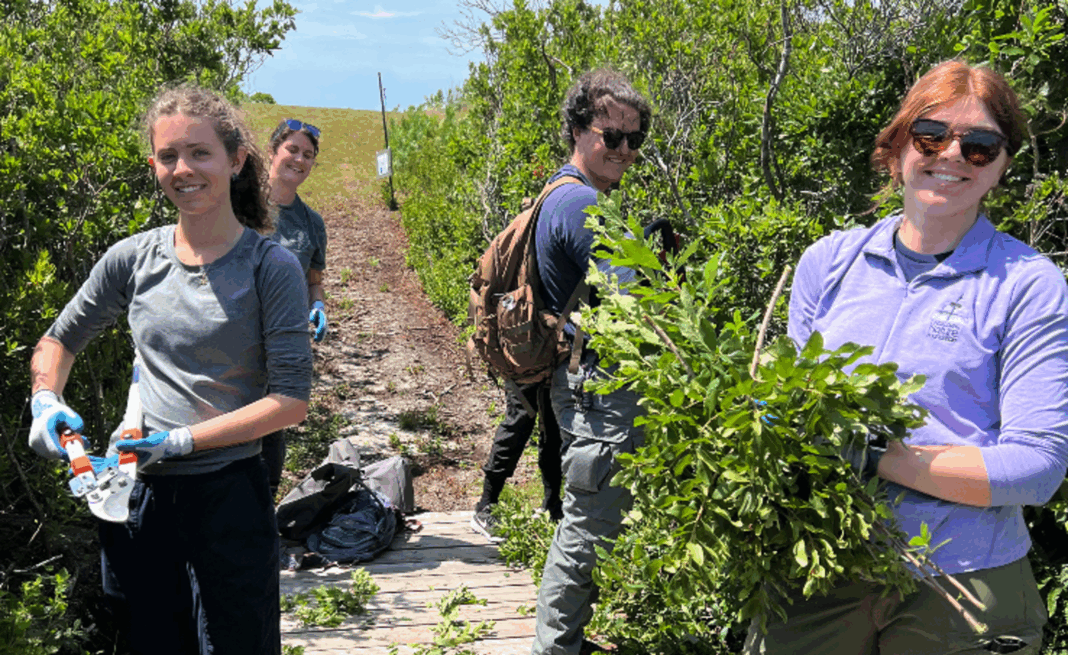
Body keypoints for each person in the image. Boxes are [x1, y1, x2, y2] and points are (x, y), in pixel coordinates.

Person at [745, 60, 1068, 654]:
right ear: (897, 148)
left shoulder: (1027, 283)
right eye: (930, 136)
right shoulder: (829, 263)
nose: (951, 155)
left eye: (979, 146)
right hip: (823, 562)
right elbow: (790, 404)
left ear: (1000, 167)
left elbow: (1038, 467)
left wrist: (881, 458)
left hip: (964, 579)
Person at [27, 84, 313, 654]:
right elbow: (58, 340)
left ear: (235, 160)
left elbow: (290, 401)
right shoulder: (133, 259)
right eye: (167, 156)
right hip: (139, 495)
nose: (183, 169)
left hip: (229, 495)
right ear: (153, 164)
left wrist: (183, 441)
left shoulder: (269, 267)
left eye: (200, 153)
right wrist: (46, 399)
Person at [531, 69, 653, 655]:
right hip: (596, 389)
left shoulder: (560, 193)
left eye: (636, 137)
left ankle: (566, 640)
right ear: (578, 131)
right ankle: (555, 647)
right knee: (586, 526)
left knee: (586, 518)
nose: (625, 150)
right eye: (612, 136)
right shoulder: (582, 204)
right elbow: (638, 301)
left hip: (579, 383)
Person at [260, 117, 329, 496]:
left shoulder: (311, 224)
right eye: (292, 149)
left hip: (281, 345)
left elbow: (313, 281)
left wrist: (317, 306)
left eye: (308, 155)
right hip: (230, 340)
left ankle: (264, 521)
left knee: (271, 431)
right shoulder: (235, 203)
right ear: (272, 151)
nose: (299, 159)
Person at [470, 381, 564, 543]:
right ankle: (485, 506)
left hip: (556, 363)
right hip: (526, 368)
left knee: (554, 430)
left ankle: (552, 505)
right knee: (516, 428)